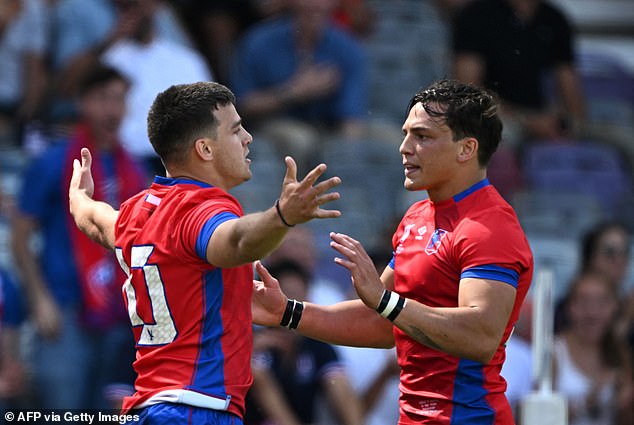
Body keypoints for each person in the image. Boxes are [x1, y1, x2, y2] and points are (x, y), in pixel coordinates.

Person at [252, 79, 534, 424]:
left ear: (467, 149)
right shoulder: (417, 217)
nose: (404, 147)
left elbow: (480, 335)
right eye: (406, 133)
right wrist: (287, 312)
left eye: (423, 136)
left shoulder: (490, 228)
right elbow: (381, 322)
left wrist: (385, 301)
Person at [67, 81, 342, 423]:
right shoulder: (202, 209)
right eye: (236, 130)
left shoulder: (135, 212)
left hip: (150, 407)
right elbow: (236, 242)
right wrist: (282, 216)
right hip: (197, 409)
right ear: (205, 149)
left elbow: (92, 218)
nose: (248, 138)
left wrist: (79, 197)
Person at [11, 64, 148, 409]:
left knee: (110, 412)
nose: (112, 109)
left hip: (121, 311)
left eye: (119, 99)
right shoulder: (53, 162)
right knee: (64, 410)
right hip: (64, 307)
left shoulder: (135, 170)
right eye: (103, 98)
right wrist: (40, 299)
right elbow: (19, 237)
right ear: (83, 103)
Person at [230, 0, 369, 170]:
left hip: (328, 126)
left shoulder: (347, 46)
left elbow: (351, 118)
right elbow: (242, 105)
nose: (314, 5)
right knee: (301, 140)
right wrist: (294, 92)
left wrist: (349, 150)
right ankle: (299, 195)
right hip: (272, 122)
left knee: (389, 139)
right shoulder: (260, 41)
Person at [451, 0, 586, 146]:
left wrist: (573, 125)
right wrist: (526, 120)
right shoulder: (476, 15)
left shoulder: (553, 18)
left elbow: (569, 86)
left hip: (540, 113)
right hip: (491, 114)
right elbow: (467, 90)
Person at [247, 259, 363, 425]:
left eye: (300, 296)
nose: (293, 304)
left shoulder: (317, 346)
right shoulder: (252, 341)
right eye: (288, 296)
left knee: (338, 381)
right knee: (257, 373)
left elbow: (339, 388)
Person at [553, 271, 633, 425]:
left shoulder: (620, 352)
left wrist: (625, 405)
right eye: (584, 302)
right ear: (569, 307)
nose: (592, 313)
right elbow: (540, 415)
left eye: (601, 303)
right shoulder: (554, 352)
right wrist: (590, 399)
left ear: (614, 307)